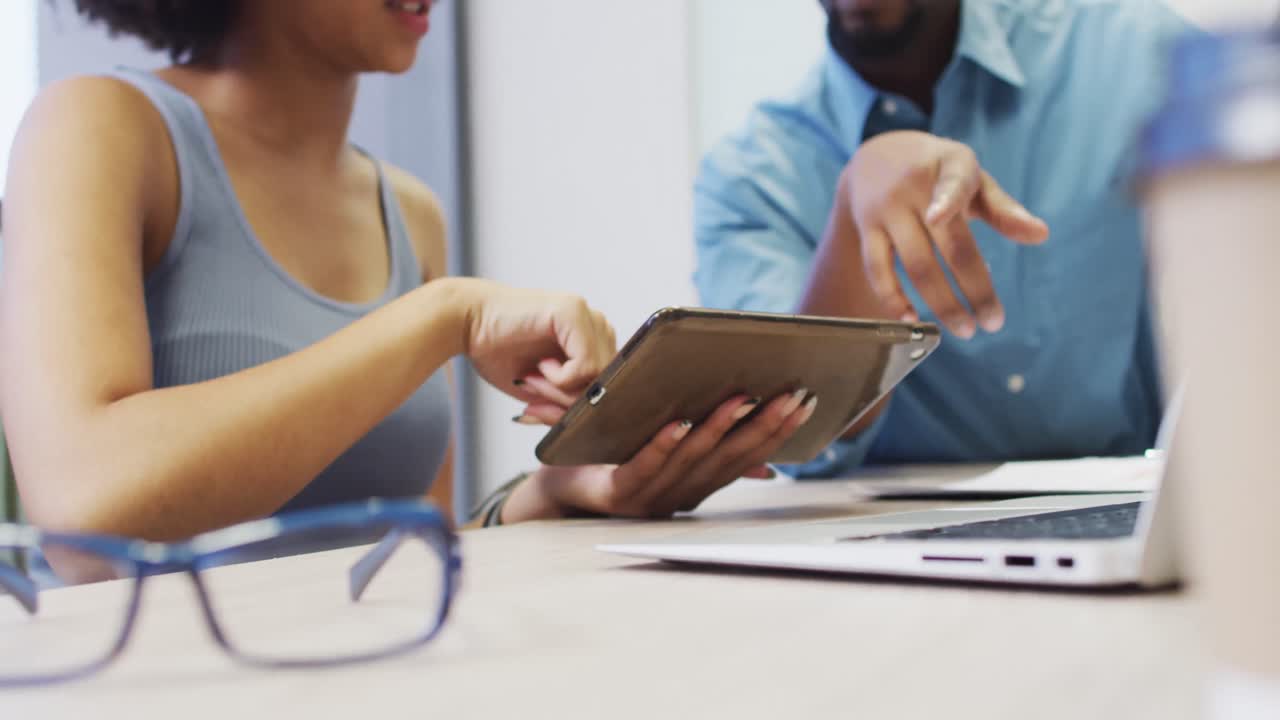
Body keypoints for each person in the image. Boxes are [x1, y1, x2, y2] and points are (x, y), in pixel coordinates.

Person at [0, 0, 819, 559]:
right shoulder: (96, 126)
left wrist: (561, 491)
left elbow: (414, 546)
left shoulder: (408, 212)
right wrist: (442, 315)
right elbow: (83, 504)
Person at [694, 0, 1194, 476]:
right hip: (884, 542)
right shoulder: (751, 180)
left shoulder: (1139, 54)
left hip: (1157, 518)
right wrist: (853, 215)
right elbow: (797, 438)